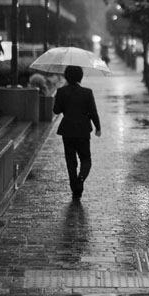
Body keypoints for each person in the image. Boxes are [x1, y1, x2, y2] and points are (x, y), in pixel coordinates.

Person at [53, 65, 101, 201]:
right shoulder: (87, 92)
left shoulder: (61, 91)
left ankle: (74, 187)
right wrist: (98, 127)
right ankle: (81, 178)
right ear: (80, 77)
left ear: (66, 76)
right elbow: (93, 112)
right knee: (86, 159)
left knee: (70, 160)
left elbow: (56, 110)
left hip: (67, 130)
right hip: (83, 130)